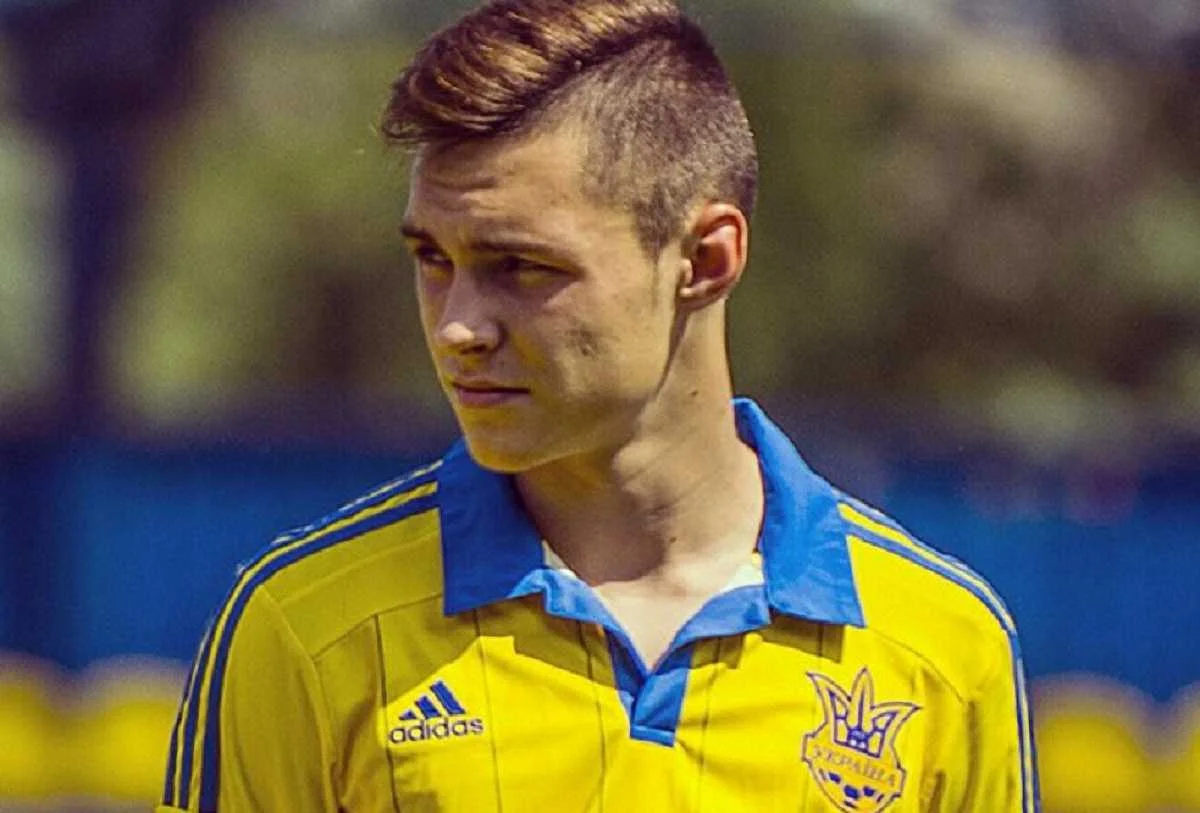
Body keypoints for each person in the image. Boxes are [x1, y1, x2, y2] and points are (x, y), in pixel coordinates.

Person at [158, 1, 1038, 810]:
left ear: (706, 260)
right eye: (432, 259)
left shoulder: (943, 647)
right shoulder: (304, 627)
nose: (458, 326)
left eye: (521, 266)